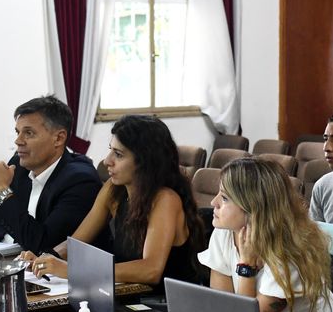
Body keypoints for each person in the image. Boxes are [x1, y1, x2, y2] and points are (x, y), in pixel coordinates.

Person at [24, 115, 203, 288]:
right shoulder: (113, 189)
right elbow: (76, 244)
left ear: (145, 161)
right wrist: (44, 259)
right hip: (127, 296)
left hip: (163, 306)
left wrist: (74, 270)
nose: (107, 161)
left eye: (118, 154)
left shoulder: (165, 200)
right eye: (111, 150)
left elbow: (151, 270)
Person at [200, 156, 333, 312]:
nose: (213, 202)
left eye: (225, 198)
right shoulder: (224, 232)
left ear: (254, 207)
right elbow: (225, 310)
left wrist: (247, 265)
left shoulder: (289, 251)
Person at [0, 96, 102, 254]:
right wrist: (18, 238)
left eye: (29, 133)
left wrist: (1, 190)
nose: (18, 141)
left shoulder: (80, 180)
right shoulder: (18, 166)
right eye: (18, 132)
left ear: (59, 138)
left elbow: (43, 246)